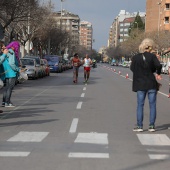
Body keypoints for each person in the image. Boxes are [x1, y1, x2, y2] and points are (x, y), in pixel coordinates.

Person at [130, 38, 162, 132]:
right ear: (151, 47)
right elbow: (158, 66)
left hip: (140, 84)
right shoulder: (152, 56)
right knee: (152, 105)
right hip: (151, 83)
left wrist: (139, 73)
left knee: (140, 105)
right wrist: (157, 73)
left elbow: (132, 68)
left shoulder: (136, 57)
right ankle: (151, 126)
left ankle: (139, 126)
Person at [0, 41, 21, 107]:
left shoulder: (5, 52)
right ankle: (7, 102)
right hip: (11, 73)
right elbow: (11, 63)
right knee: (10, 88)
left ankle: (4, 102)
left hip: (6, 72)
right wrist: (18, 69)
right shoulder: (11, 52)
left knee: (6, 88)